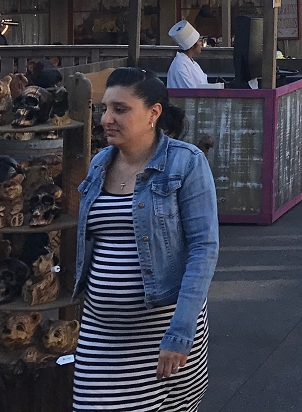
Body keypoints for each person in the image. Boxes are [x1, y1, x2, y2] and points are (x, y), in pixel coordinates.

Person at [73, 69, 217, 411]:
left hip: (162, 334)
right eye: (104, 108)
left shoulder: (185, 163)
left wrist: (180, 334)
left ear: (153, 113)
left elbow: (204, 249)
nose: (106, 118)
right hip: (100, 328)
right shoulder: (99, 164)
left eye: (120, 109)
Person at [166, 21, 224, 90]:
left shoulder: (192, 63)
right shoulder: (180, 66)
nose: (201, 44)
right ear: (192, 45)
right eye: (199, 41)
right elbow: (191, 91)